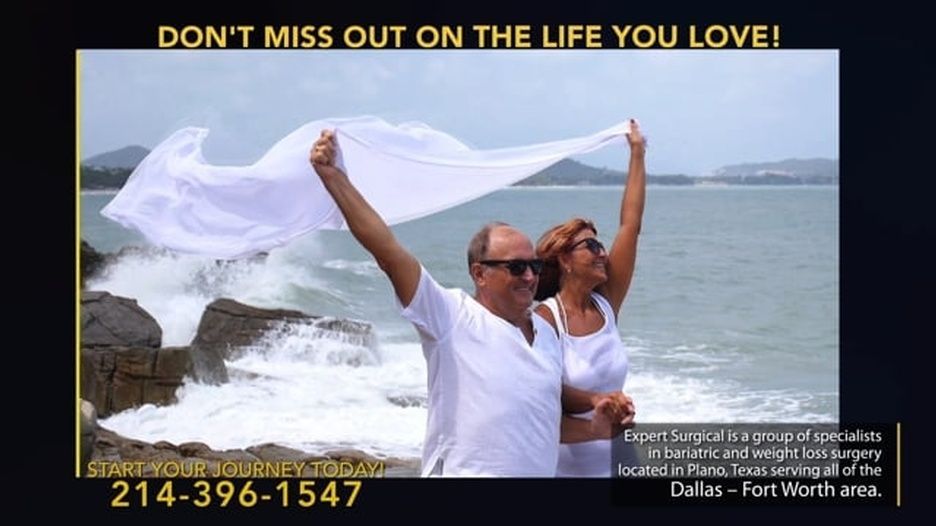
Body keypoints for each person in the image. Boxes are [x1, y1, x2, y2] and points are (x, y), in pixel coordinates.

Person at [309, 130, 627, 477]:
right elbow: (387, 250)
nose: (529, 277)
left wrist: (596, 420)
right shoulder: (451, 316)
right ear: (480, 273)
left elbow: (543, 415)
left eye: (534, 266)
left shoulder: (546, 335)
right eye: (516, 267)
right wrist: (333, 177)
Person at [534, 119, 647, 476]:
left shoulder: (606, 303)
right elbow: (543, 393)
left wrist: (637, 153)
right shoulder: (546, 319)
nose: (603, 252)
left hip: (621, 458)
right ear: (564, 260)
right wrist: (598, 400)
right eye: (592, 245)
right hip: (570, 469)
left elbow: (631, 224)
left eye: (601, 244)